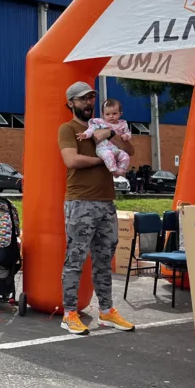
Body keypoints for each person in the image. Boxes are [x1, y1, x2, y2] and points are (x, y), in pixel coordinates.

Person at [57, 82, 136, 336]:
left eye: (91, 98)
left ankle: (106, 311)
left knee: (104, 259)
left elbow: (131, 151)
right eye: (83, 100)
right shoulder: (68, 129)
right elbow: (71, 160)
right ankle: (69, 313)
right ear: (71, 103)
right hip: (80, 202)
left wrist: (111, 135)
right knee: (75, 259)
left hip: (106, 202)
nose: (89, 103)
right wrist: (105, 161)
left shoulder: (106, 126)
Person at [77, 98, 131, 175]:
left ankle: (121, 169)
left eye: (114, 114)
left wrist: (126, 136)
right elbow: (91, 129)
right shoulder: (100, 123)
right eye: (107, 114)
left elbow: (128, 133)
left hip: (115, 148)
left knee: (125, 156)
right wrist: (85, 134)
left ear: (120, 114)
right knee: (108, 155)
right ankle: (114, 171)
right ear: (103, 114)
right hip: (103, 148)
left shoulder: (122, 124)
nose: (111, 116)